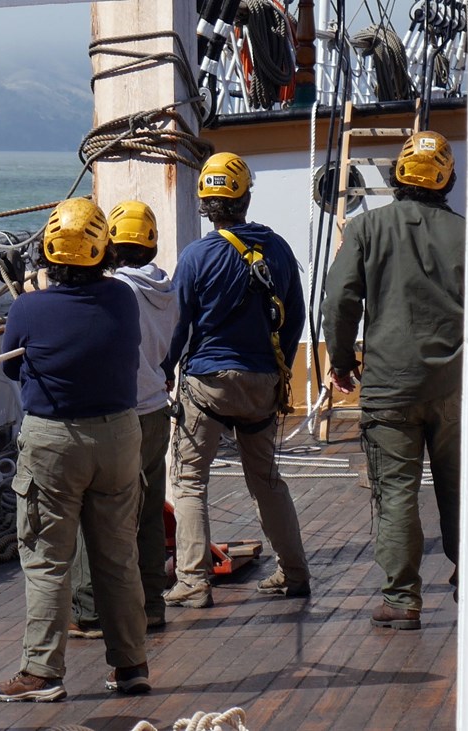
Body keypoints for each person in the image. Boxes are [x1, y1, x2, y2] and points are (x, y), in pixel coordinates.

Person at [0, 197, 150, 703]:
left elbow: (11, 367)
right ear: (103, 251)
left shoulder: (29, 307)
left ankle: (41, 671)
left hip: (55, 442)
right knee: (118, 558)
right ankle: (131, 666)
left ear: (48, 252)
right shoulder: (124, 298)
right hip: (120, 437)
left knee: (46, 561)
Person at [322, 131, 464, 631]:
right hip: (454, 385)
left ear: (399, 177)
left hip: (389, 387)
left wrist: (340, 362)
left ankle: (402, 599)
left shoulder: (367, 228)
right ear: (446, 179)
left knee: (397, 490)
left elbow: (340, 300)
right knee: (460, 486)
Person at [161, 152, 311, 609]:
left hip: (208, 384)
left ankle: (192, 582)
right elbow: (295, 317)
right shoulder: (278, 248)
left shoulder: (196, 256)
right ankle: (295, 571)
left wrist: (166, 370)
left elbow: (180, 325)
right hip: (263, 382)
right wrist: (275, 363)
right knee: (266, 479)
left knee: (189, 480)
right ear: (244, 198)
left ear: (206, 203)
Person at [68, 200, 178, 638]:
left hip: (121, 413)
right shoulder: (166, 289)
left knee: (97, 513)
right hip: (157, 411)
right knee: (149, 514)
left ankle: (91, 608)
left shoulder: (117, 292)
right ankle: (151, 605)